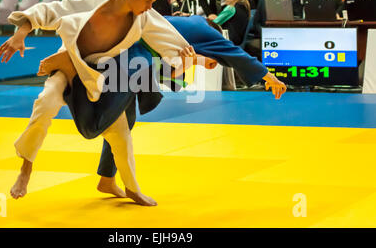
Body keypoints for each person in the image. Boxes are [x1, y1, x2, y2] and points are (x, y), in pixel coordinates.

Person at [0, 0, 194, 206]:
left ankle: (132, 188)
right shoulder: (94, 4)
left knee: (119, 131)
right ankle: (25, 169)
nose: (150, 7)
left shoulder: (143, 18)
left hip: (100, 75)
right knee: (45, 103)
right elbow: (51, 10)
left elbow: (172, 44)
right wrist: (21, 33)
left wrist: (184, 62)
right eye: (147, 1)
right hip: (70, 63)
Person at [90, 15, 287, 194]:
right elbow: (233, 52)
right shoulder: (202, 29)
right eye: (214, 56)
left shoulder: (179, 37)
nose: (214, 61)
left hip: (127, 55)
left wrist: (191, 62)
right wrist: (268, 76)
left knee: (124, 118)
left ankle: (107, 179)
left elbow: (167, 77)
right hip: (121, 52)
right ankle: (115, 181)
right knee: (119, 121)